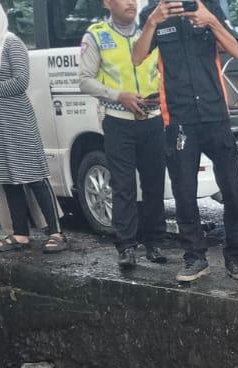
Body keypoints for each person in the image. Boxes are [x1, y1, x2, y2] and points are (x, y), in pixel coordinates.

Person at [134, 0, 238, 284]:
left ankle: (236, 257)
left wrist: (210, 20)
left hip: (215, 115)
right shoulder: (153, 13)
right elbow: (136, 57)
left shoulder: (207, 7)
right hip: (179, 118)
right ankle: (195, 258)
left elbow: (235, 50)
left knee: (232, 189)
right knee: (185, 194)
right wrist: (151, 23)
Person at [0, 0, 67, 251]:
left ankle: (56, 232)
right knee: (7, 178)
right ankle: (20, 232)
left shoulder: (12, 44)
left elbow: (20, 82)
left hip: (17, 122)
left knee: (33, 176)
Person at [78, 0, 167, 270]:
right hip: (118, 120)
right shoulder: (96, 34)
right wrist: (118, 96)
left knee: (154, 184)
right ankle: (126, 246)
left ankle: (155, 242)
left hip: (152, 118)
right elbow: (84, 80)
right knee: (123, 186)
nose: (131, 3)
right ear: (107, 3)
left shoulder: (151, 31)